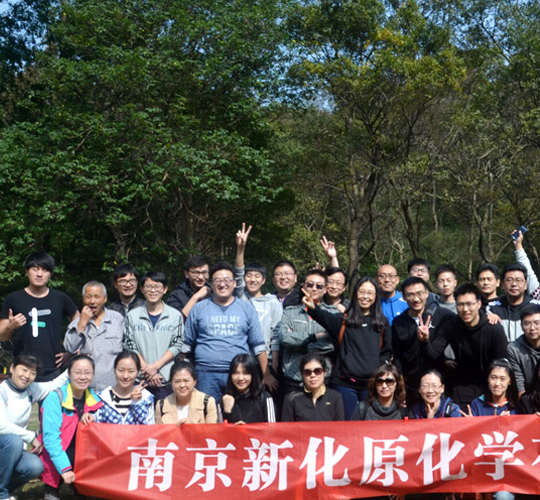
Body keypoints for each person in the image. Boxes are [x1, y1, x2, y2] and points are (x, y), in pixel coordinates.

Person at [302, 276, 392, 420]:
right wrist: (312, 307)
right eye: (362, 292)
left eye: (370, 293)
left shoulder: (382, 323)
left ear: (376, 296)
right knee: (347, 425)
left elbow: (387, 351)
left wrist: (378, 368)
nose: (365, 296)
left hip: (371, 384)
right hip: (344, 383)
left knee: (370, 425)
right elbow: (323, 316)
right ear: (355, 294)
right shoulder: (343, 320)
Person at [184, 262, 267, 402]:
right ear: (211, 284)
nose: (222, 284)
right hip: (205, 374)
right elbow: (186, 345)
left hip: (239, 373)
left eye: (227, 280)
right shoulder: (199, 308)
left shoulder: (246, 308)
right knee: (207, 413)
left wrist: (266, 374)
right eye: (217, 280)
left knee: (239, 413)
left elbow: (258, 344)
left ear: (234, 283)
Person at [426, 283, 508, 409]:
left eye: (469, 304)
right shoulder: (451, 326)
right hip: (461, 383)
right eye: (460, 304)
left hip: (489, 382)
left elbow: (501, 362)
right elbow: (433, 354)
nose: (465, 309)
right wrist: (425, 340)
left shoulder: (494, 328)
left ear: (479, 304)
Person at [0, 251, 79, 381]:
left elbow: (79, 322)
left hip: (53, 369)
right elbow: (2, 336)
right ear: (27, 271)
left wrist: (71, 352)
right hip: (23, 369)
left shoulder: (60, 298)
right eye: (35, 269)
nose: (39, 274)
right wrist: (10, 326)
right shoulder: (13, 299)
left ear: (50, 274)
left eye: (45, 270)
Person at [0, 354, 68, 500]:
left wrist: (74, 367)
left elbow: (53, 385)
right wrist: (31, 437)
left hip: (13, 451)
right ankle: (1, 493)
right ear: (12, 368)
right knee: (14, 441)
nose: (27, 376)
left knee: (35, 466)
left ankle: (4, 487)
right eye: (24, 370)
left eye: (32, 372)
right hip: (6, 445)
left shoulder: (30, 389)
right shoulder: (2, 391)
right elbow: (2, 426)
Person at [40, 354, 103, 500]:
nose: (83, 377)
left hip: (83, 456)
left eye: (87, 373)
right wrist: (65, 468)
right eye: (77, 372)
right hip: (59, 454)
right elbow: (51, 438)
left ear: (93, 375)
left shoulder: (96, 400)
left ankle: (80, 486)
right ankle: (52, 487)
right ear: (69, 374)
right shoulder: (55, 398)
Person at [233, 223, 282, 391]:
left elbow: (276, 334)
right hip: (243, 360)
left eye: (257, 276)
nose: (252, 279)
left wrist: (274, 363)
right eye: (249, 275)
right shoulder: (240, 298)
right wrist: (241, 248)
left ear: (264, 280)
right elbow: (238, 273)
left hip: (266, 361)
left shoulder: (273, 302)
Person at [391, 276, 453, 404]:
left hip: (437, 382)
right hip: (411, 384)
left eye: (419, 293)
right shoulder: (399, 322)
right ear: (404, 297)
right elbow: (397, 355)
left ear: (426, 293)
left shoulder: (443, 316)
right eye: (410, 295)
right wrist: (399, 381)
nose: (416, 299)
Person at [124, 271, 184, 400]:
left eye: (157, 287)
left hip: (165, 379)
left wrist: (155, 367)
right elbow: (130, 344)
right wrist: (147, 370)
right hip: (139, 379)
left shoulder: (175, 316)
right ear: (142, 289)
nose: (152, 290)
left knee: (165, 413)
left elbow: (177, 344)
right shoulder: (132, 316)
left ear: (165, 290)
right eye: (148, 286)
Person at [278, 269, 336, 395]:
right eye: (310, 285)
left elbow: (332, 344)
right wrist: (314, 337)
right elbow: (284, 338)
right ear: (303, 286)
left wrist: (301, 345)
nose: (314, 289)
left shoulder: (333, 313)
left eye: (319, 286)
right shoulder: (290, 312)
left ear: (325, 289)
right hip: (294, 378)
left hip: (323, 380)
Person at [64, 281, 124, 390]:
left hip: (114, 387)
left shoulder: (118, 319)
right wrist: (82, 323)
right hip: (87, 388)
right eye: (88, 297)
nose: (92, 301)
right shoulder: (77, 323)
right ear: (83, 299)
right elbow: (70, 347)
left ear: (104, 299)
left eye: (97, 297)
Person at [88, 351, 154, 425]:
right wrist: (91, 417)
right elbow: (97, 422)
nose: (125, 376)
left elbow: (147, 427)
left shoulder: (146, 398)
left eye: (131, 371)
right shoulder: (103, 397)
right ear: (114, 370)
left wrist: (137, 402)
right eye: (121, 370)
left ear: (138, 372)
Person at [281, 353, 344, 421]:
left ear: (325, 372)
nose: (313, 375)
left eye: (317, 371)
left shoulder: (335, 397)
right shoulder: (292, 399)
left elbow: (340, 426)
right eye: (307, 372)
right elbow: (286, 426)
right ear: (302, 374)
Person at [488, 263, 539, 342]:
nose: (514, 284)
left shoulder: (536, 306)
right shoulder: (491, 308)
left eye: (518, 280)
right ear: (503, 284)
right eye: (509, 280)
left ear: (525, 284)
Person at [220, 353, 276, 423]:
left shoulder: (264, 398)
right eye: (236, 373)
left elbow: (271, 427)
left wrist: (247, 428)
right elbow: (219, 428)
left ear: (253, 375)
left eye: (245, 373)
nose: (240, 378)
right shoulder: (224, 400)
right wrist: (227, 412)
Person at [507, 303, 540, 397]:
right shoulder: (513, 348)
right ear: (521, 326)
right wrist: (526, 403)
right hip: (528, 397)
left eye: (537, 323)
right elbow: (518, 382)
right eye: (527, 324)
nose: (532, 328)